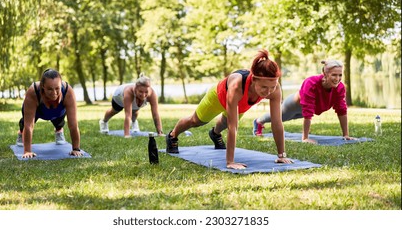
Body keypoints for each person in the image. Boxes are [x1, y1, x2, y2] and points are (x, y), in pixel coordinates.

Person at [165, 50, 293, 170]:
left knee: (224, 124)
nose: (268, 91)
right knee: (196, 121)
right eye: (264, 87)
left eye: (272, 87)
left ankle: (215, 134)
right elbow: (234, 127)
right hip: (218, 97)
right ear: (254, 79)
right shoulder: (237, 85)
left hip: (241, 104)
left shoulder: (275, 89)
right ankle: (172, 135)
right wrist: (230, 161)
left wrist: (282, 155)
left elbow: (277, 123)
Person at [253, 59, 357, 143]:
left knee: (287, 118)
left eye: (340, 75)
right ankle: (258, 121)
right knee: (280, 116)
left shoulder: (340, 88)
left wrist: (346, 135)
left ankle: (260, 121)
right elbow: (308, 109)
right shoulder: (311, 83)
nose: (337, 78)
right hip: (293, 105)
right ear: (325, 74)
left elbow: (341, 110)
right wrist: (305, 138)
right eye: (334, 75)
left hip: (308, 111)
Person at [16, 69, 83, 158]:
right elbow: (28, 125)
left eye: (57, 88)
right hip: (38, 111)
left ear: (61, 84)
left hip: (57, 111)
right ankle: (21, 133)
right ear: (43, 86)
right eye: (50, 89)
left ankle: (59, 130)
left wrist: (76, 149)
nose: (54, 93)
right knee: (24, 124)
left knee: (59, 121)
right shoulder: (33, 91)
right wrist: (27, 151)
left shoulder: (68, 91)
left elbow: (73, 125)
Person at [99, 74, 163, 138]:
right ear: (135, 88)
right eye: (141, 91)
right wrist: (127, 135)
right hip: (119, 98)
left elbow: (155, 114)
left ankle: (134, 122)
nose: (143, 95)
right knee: (114, 111)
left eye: (146, 92)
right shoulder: (129, 92)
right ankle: (104, 122)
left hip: (135, 100)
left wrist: (160, 132)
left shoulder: (152, 94)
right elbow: (128, 115)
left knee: (134, 112)